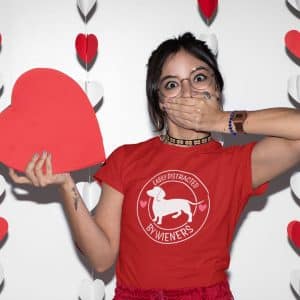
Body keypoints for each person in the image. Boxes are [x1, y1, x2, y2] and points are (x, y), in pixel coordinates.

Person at [8, 32, 300, 300]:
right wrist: (65, 185)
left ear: (217, 89)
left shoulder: (238, 164)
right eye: (171, 84)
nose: (187, 90)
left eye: (199, 78)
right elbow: (101, 258)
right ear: (159, 100)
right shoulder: (127, 159)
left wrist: (218, 120)